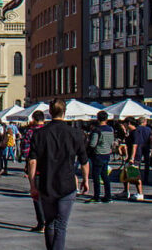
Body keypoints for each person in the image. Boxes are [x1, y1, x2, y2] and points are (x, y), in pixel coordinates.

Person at [28, 99, 89, 250]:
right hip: (67, 183)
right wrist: (86, 180)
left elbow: (32, 162)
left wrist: (32, 185)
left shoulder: (39, 134)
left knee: (50, 222)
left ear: (49, 112)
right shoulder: (75, 133)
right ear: (65, 112)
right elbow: (84, 161)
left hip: (46, 183)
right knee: (61, 225)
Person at [24, 110, 46, 232]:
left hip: (35, 168)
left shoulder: (30, 132)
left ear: (34, 119)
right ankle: (49, 221)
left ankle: (41, 223)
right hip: (49, 168)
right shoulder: (49, 131)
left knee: (36, 195)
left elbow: (26, 151)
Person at [86, 111, 114, 204]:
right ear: (106, 119)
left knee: (96, 176)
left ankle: (97, 196)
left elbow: (93, 143)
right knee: (105, 175)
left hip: (98, 154)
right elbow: (112, 143)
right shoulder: (110, 129)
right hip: (107, 153)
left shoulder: (97, 130)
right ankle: (108, 195)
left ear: (98, 119)